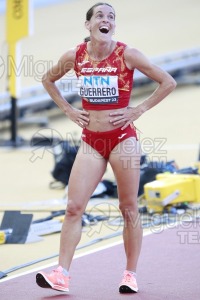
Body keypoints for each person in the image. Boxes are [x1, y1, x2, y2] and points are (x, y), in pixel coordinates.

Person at [36, 2, 176, 294]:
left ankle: (130, 274)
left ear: (114, 26)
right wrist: (68, 110)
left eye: (111, 17)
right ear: (88, 25)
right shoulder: (75, 55)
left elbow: (168, 82)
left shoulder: (128, 54)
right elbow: (47, 79)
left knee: (128, 207)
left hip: (122, 139)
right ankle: (61, 273)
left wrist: (138, 110)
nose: (106, 19)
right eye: (99, 15)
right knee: (74, 207)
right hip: (91, 140)